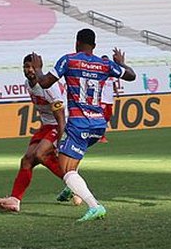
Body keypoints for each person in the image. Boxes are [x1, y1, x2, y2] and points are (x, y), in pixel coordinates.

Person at [31, 28, 136, 222]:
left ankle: (94, 206)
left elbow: (45, 83)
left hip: (79, 123)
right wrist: (120, 63)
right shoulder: (104, 64)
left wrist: (38, 68)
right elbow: (131, 75)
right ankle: (70, 189)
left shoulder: (69, 60)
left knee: (65, 168)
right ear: (94, 46)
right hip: (98, 124)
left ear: (77, 42)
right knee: (70, 157)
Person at [0, 54, 67, 213]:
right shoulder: (28, 84)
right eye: (26, 66)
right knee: (26, 160)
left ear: (39, 67)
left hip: (60, 124)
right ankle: (15, 200)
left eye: (32, 66)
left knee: (40, 154)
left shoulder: (49, 86)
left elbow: (60, 116)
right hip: (46, 125)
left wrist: (61, 141)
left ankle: (72, 181)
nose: (29, 70)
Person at [98, 54, 118, 144]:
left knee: (107, 118)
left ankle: (101, 135)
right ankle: (101, 136)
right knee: (102, 118)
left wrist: (116, 91)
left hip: (109, 100)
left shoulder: (111, 73)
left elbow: (114, 83)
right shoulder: (99, 73)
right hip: (102, 99)